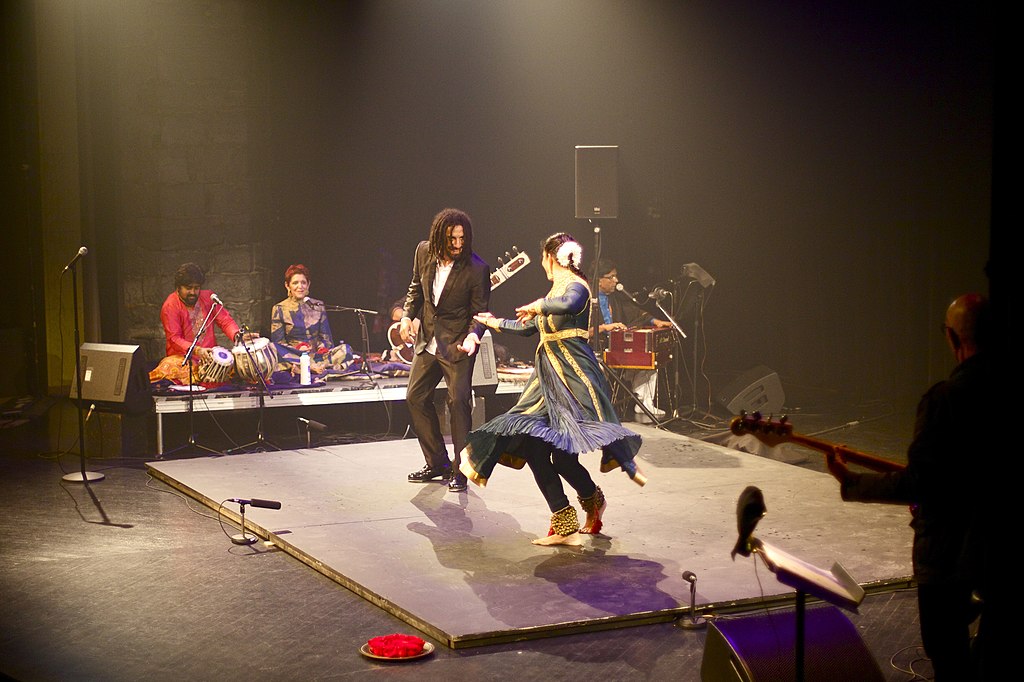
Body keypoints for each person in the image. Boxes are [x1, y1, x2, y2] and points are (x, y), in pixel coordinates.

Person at [826, 293, 995, 681]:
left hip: (949, 551)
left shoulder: (947, 398)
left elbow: (921, 483)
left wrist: (850, 480)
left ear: (953, 338)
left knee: (947, 652)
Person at [462, 232, 646, 546]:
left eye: (545, 259)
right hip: (546, 382)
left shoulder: (576, 287)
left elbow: (569, 303)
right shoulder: (555, 292)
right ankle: (565, 520)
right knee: (534, 448)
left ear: (551, 257)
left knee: (561, 458)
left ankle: (590, 501)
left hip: (572, 380)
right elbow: (528, 328)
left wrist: (538, 305)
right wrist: (495, 323)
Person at [400, 208, 491, 493]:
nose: (458, 244)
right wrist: (406, 316)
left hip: (458, 343)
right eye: (452, 239)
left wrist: (473, 336)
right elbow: (416, 288)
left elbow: (480, 313)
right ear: (439, 237)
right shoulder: (423, 252)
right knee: (414, 397)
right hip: (428, 338)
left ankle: (460, 469)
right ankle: (436, 462)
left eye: (462, 238)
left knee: (458, 403)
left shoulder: (477, 268)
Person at [592, 258, 673, 421]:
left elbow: (634, 312)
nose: (616, 281)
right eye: (611, 277)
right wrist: (605, 328)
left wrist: (656, 321)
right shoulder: (586, 299)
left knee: (649, 358)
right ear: (599, 280)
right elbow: (579, 330)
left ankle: (645, 403)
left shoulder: (614, 298)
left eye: (616, 276)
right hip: (595, 351)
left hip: (617, 347)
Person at [150, 262, 242, 385]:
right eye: (188, 288)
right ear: (178, 287)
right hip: (184, 360)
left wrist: (237, 335)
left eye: (196, 288)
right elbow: (174, 338)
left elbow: (225, 321)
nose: (193, 292)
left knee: (238, 363)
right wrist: (198, 351)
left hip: (209, 358)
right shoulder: (170, 306)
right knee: (168, 365)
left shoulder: (209, 298)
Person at [269, 264, 353, 377]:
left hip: (317, 356)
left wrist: (321, 348)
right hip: (294, 356)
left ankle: (309, 367)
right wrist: (298, 349)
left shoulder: (318, 305)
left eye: (303, 282)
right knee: (273, 348)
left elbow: (327, 339)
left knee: (346, 349)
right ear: (287, 286)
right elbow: (278, 343)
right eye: (295, 283)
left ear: (308, 285)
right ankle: (317, 368)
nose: (300, 286)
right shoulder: (279, 308)